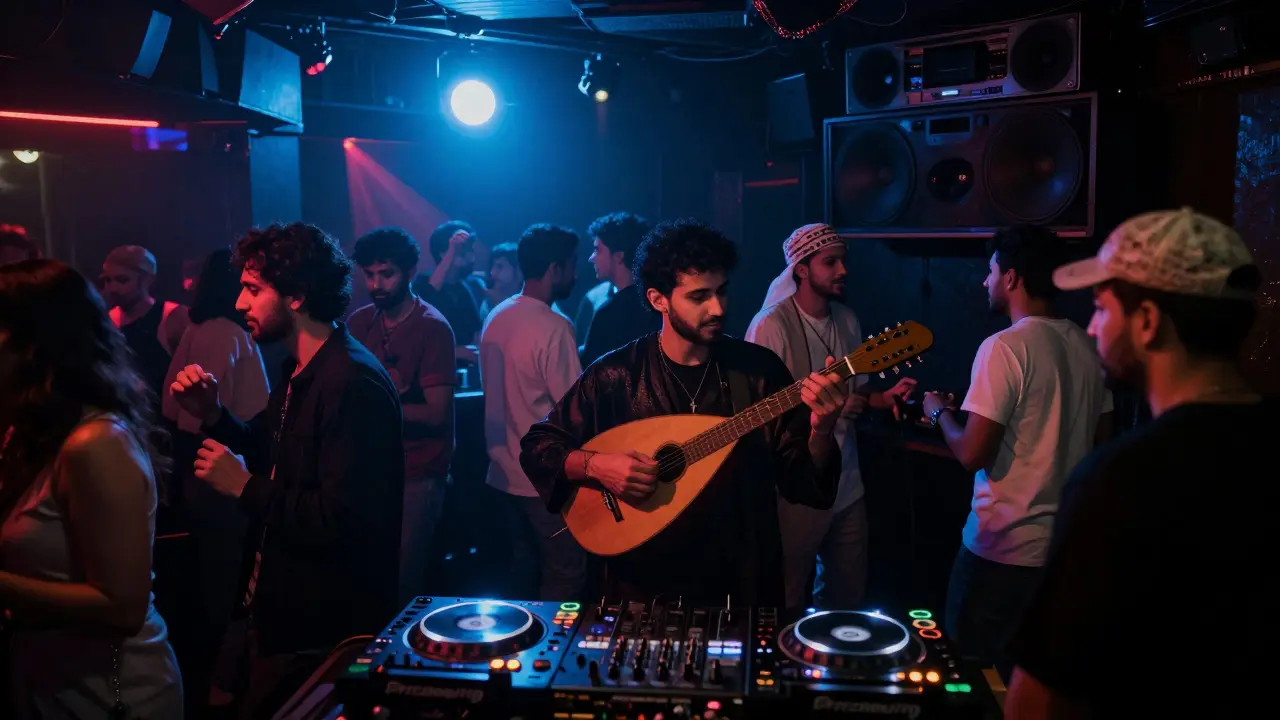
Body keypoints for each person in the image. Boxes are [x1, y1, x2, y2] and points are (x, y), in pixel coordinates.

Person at [1005, 209, 1273, 719]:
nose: (1091, 326)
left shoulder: (1122, 480)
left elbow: (1037, 703)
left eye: (1102, 309)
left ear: (1147, 322)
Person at [520, 218, 849, 605]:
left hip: (740, 583)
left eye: (722, 292)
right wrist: (597, 466)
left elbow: (804, 483)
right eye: (699, 297)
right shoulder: (616, 375)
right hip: (639, 584)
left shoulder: (759, 372)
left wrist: (822, 429)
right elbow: (538, 448)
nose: (717, 308)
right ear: (659, 299)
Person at [169, 222, 404, 718]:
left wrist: (246, 488)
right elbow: (271, 450)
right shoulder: (297, 368)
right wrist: (215, 417)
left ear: (296, 296)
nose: (239, 303)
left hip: (318, 628)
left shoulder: (351, 382)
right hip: (279, 612)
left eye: (254, 289)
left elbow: (344, 520)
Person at [920, 225, 1112, 681]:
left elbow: (971, 454)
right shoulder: (1090, 347)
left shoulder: (1005, 348)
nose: (984, 282)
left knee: (972, 680)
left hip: (999, 555)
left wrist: (936, 413)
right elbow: (1100, 447)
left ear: (1012, 278)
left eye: (990, 272)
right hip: (1059, 554)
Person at [0, 259, 183, 718]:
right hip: (52, 685)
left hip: (112, 696)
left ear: (34, 343)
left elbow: (121, 605)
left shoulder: (97, 444)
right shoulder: (32, 433)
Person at [746, 223, 916, 612]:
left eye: (843, 261)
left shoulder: (848, 319)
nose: (843, 271)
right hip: (795, 489)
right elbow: (758, 415)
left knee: (848, 599)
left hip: (848, 485)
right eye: (831, 262)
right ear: (801, 270)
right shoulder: (770, 325)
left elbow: (860, 391)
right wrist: (826, 410)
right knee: (786, 598)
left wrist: (880, 397)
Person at [159, 248, 271, 699]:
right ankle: (223, 687)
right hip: (222, 471)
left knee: (215, 582)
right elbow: (203, 415)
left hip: (199, 470)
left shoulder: (198, 327)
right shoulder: (226, 333)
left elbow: (169, 404)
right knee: (231, 589)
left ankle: (215, 683)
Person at [348, 227, 457, 605]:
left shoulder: (432, 327)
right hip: (371, 471)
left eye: (386, 274)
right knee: (367, 577)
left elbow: (437, 414)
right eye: (369, 274)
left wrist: (375, 408)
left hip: (418, 470)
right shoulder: (359, 323)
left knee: (401, 582)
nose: (376, 284)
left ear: (410, 272)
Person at [480, 224, 587, 600]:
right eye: (572, 265)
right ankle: (552, 656)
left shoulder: (496, 316)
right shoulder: (555, 326)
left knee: (522, 574)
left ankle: (519, 653)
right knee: (566, 576)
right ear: (555, 268)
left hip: (501, 474)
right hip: (542, 480)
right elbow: (574, 410)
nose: (576, 273)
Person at [100, 245, 189, 396]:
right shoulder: (108, 320)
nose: (112, 288)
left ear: (147, 280)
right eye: (108, 280)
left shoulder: (173, 317)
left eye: (122, 280)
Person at [580, 212, 661, 367]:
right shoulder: (659, 303)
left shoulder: (609, 314)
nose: (591, 258)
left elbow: (591, 375)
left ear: (619, 256)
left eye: (598, 250)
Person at [412, 220, 484, 364]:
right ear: (443, 253)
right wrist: (458, 351)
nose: (470, 255)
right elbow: (430, 292)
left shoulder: (466, 287)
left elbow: (476, 332)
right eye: (464, 249)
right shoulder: (422, 283)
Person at [479, 242, 522, 319]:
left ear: (518, 270)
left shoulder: (531, 299)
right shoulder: (489, 302)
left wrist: (501, 304)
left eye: (500, 266)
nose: (492, 272)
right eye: (492, 266)